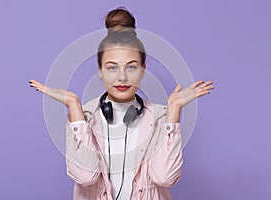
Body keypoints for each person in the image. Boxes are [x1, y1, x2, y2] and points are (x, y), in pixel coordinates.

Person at [29, 7, 214, 200]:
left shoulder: (160, 116)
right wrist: (74, 107)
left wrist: (173, 112)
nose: (122, 77)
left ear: (143, 70)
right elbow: (86, 177)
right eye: (112, 68)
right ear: (100, 70)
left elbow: (165, 178)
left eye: (131, 67)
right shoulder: (84, 117)